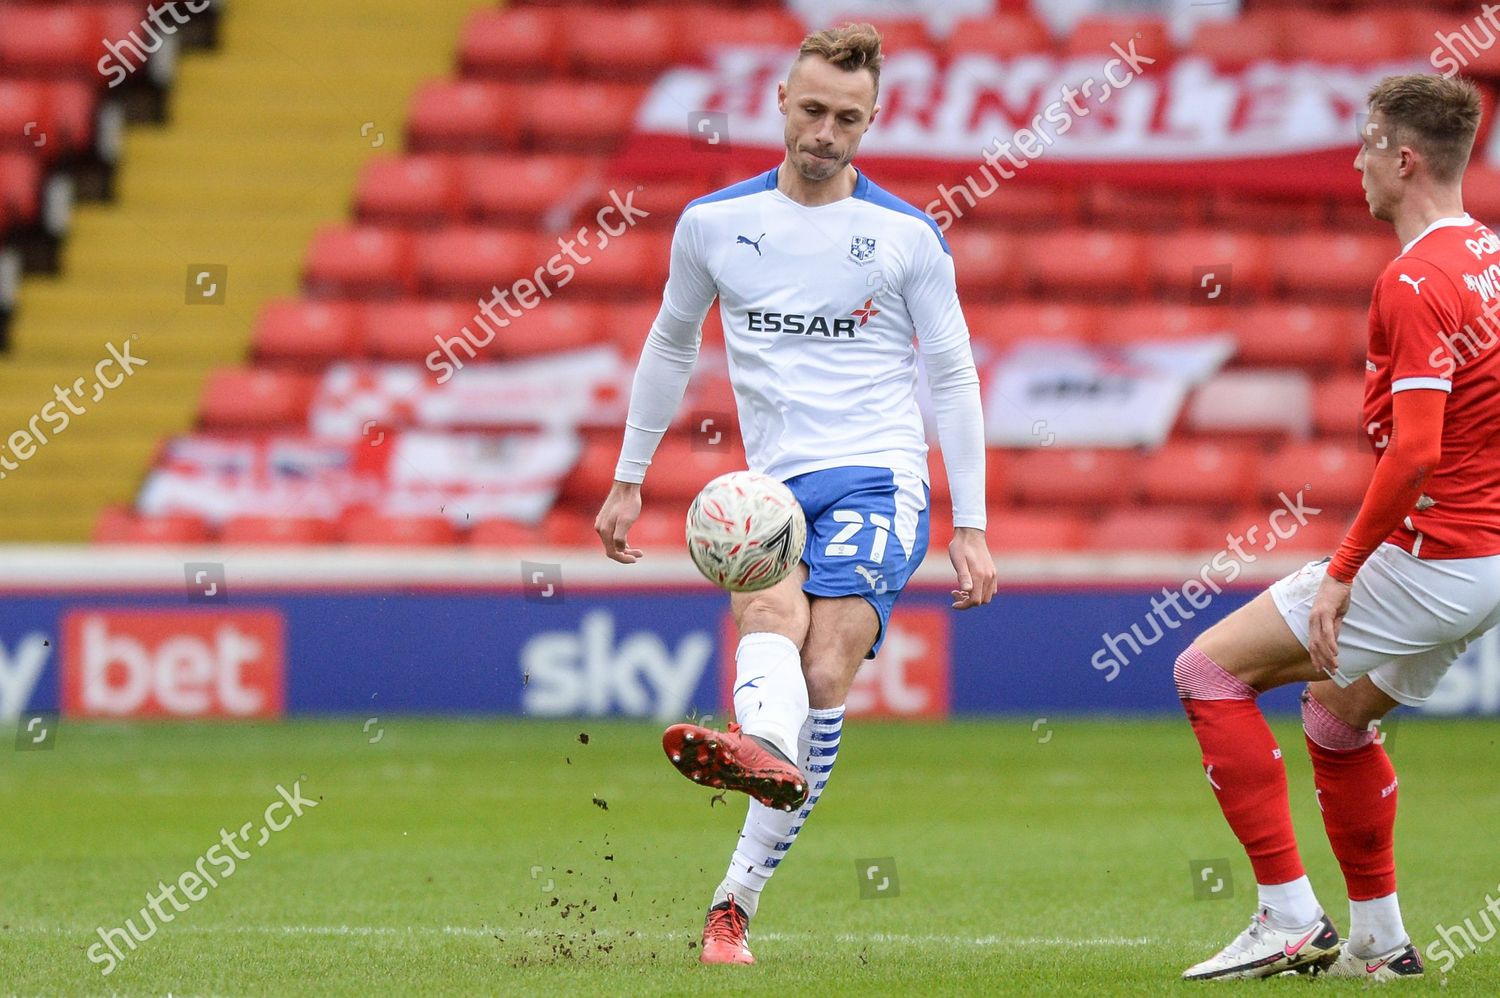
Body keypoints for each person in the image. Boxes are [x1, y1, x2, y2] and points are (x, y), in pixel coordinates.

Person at [593, 22, 997, 966]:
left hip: (878, 474)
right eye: (812, 109)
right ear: (781, 101)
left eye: (847, 118)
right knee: (768, 620)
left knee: (824, 672)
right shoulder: (713, 225)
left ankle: (736, 895)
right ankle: (759, 755)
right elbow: (669, 344)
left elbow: (954, 375)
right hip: (771, 484)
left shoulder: (904, 237)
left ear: (873, 119)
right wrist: (627, 479)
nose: (825, 131)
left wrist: (971, 524)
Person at [1177, 73, 1500, 981]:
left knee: (1207, 671)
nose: (1355, 161)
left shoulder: (1415, 279)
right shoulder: (1490, 256)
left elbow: (1415, 453)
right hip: (1487, 561)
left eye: (1366, 144)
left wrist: (1347, 567)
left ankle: (1286, 916)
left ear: (1404, 160)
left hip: (1435, 554)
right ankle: (1380, 941)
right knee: (1336, 721)